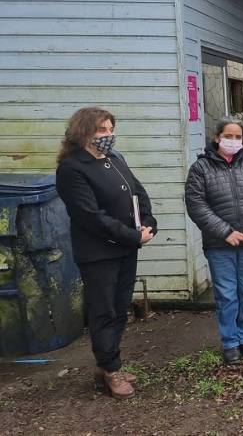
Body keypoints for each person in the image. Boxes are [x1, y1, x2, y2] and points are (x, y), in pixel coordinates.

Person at [56, 107, 157, 400]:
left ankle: (108, 363)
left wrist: (148, 223)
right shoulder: (72, 168)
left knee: (120, 307)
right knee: (104, 311)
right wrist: (131, 236)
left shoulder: (114, 159)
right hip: (99, 253)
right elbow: (90, 216)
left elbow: (137, 193)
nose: (108, 135)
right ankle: (110, 371)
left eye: (110, 129)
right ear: (83, 132)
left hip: (126, 247)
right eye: (101, 130)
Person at [185, 117, 243, 365]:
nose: (233, 141)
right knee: (226, 294)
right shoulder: (200, 169)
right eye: (228, 136)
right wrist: (225, 231)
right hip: (219, 244)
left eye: (238, 137)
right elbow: (196, 205)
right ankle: (230, 342)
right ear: (217, 137)